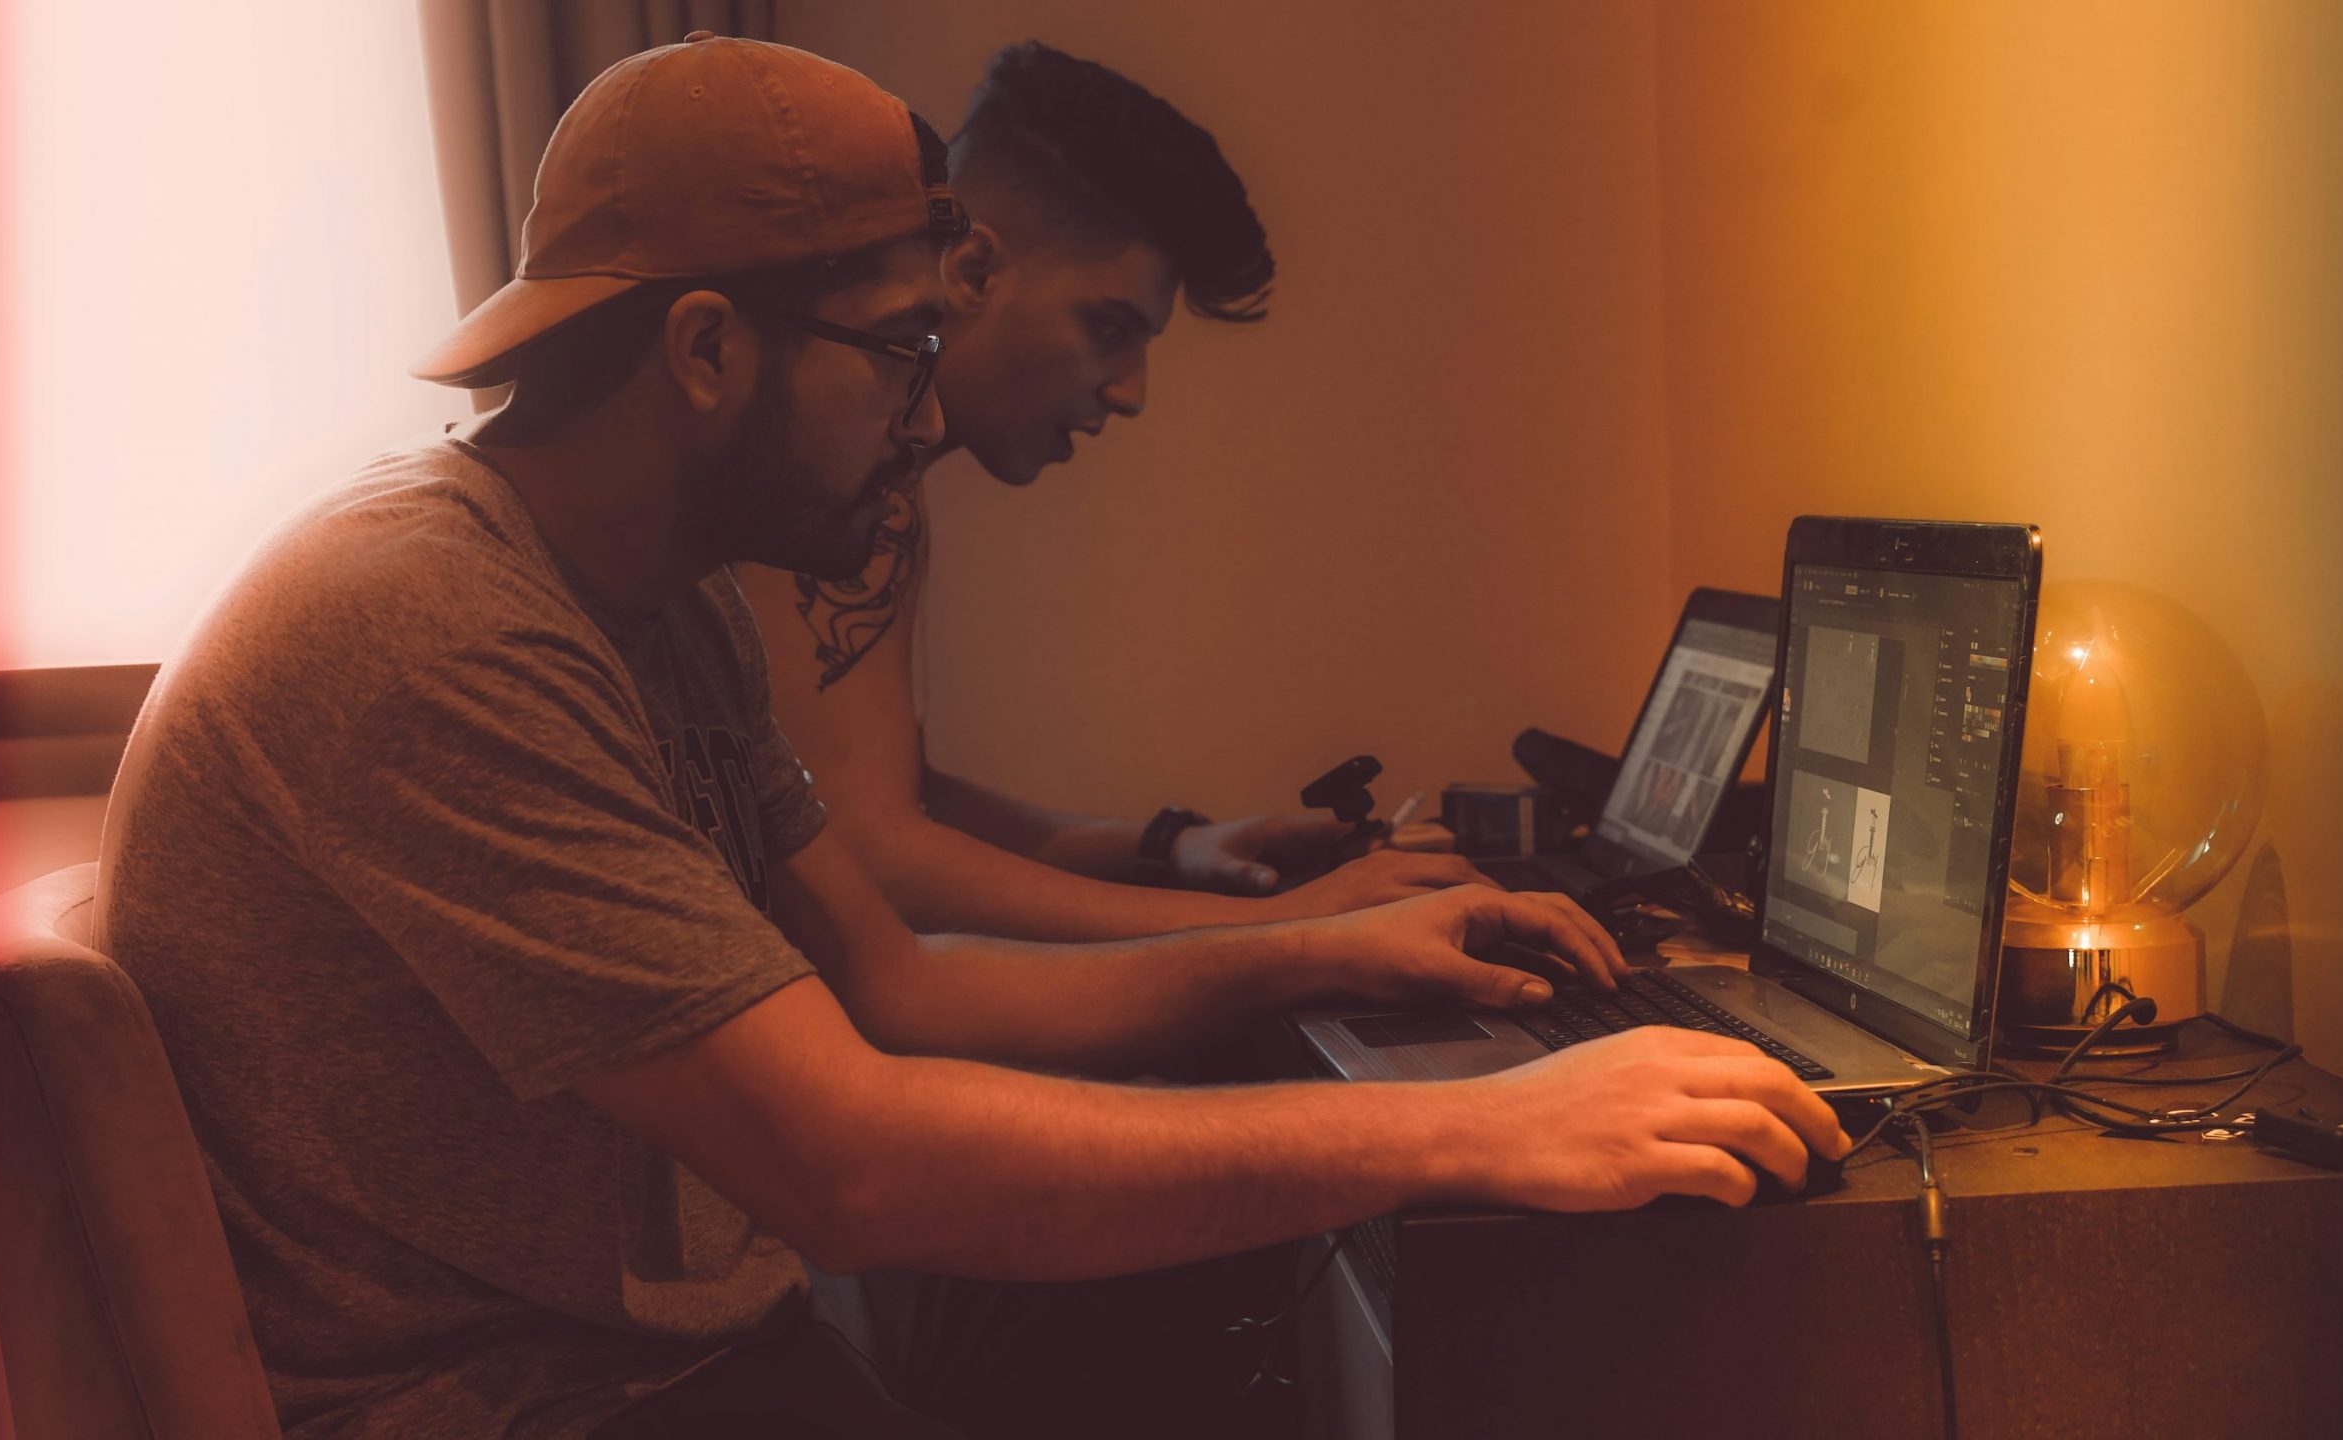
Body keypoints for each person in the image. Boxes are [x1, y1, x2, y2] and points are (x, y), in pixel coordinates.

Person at [93, 36, 1843, 1440]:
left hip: (670, 1365)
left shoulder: (673, 608)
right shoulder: (434, 630)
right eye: (899, 350)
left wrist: (1326, 949)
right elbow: (851, 1162)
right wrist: (1484, 1132)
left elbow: (903, 990)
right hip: (510, 1403)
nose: (928, 411)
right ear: (706, 349)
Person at [736, 42, 1475, 943]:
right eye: (1109, 327)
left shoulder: (885, 487)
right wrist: (1289, 931)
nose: (1131, 392)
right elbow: (872, 858)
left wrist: (1178, 848)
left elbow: (894, 803)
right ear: (971, 272)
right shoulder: (812, 476)